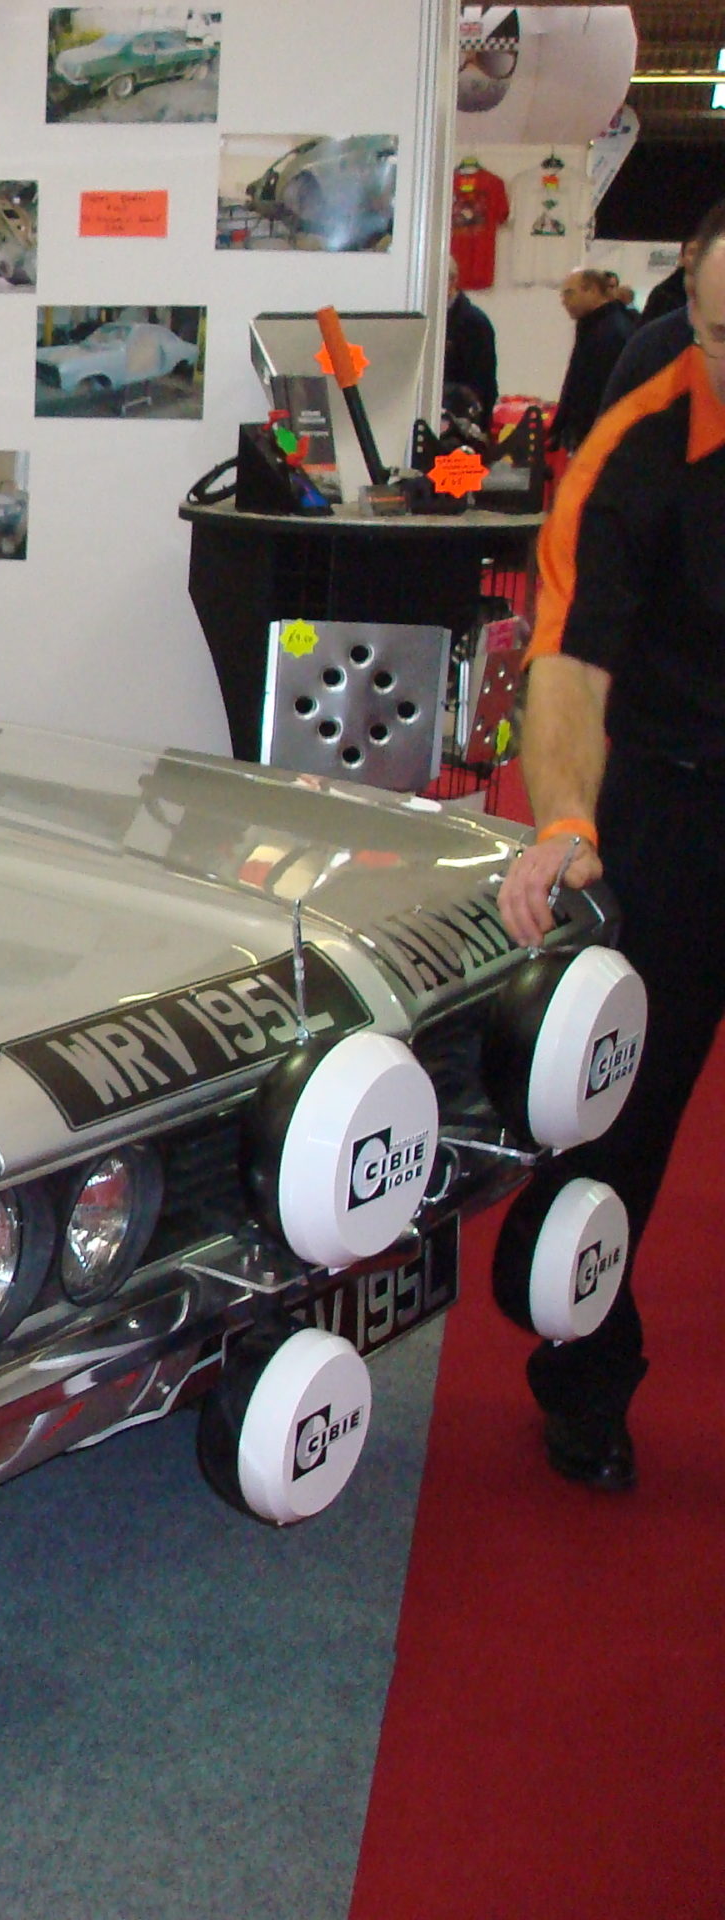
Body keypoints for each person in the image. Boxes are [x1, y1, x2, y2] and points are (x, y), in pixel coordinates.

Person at [499, 200, 725, 1492]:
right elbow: (570, 668)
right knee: (619, 1124)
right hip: (674, 802)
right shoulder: (639, 444)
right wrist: (567, 821)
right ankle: (585, 1371)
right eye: (718, 332)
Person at [602, 218, 710, 411]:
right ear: (681, 257)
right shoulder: (664, 298)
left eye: (702, 252)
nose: (696, 259)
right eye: (692, 252)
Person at [549, 268, 639, 453]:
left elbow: (601, 392)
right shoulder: (592, 326)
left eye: (569, 293)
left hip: (601, 439)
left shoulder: (612, 332)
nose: (564, 301)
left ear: (592, 291)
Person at [444, 260, 499, 421]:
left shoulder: (474, 322)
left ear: (452, 282)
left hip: (460, 419)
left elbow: (483, 385)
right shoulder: (429, 318)